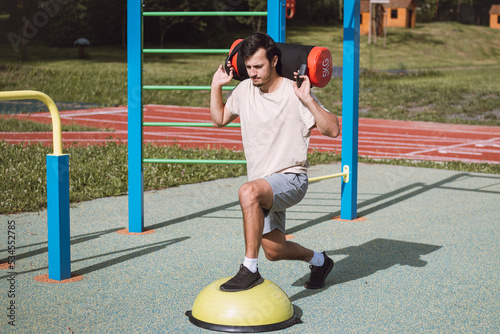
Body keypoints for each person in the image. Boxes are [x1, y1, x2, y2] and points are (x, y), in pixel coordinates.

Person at [210, 32, 340, 292]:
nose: (253, 73)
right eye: (248, 67)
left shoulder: (294, 93)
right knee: (274, 250)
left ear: (274, 61)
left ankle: (249, 269)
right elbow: (220, 118)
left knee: (248, 192)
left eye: (258, 66)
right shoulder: (245, 89)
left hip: (291, 178)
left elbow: (333, 130)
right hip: (263, 182)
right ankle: (319, 261)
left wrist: (309, 100)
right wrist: (216, 86)